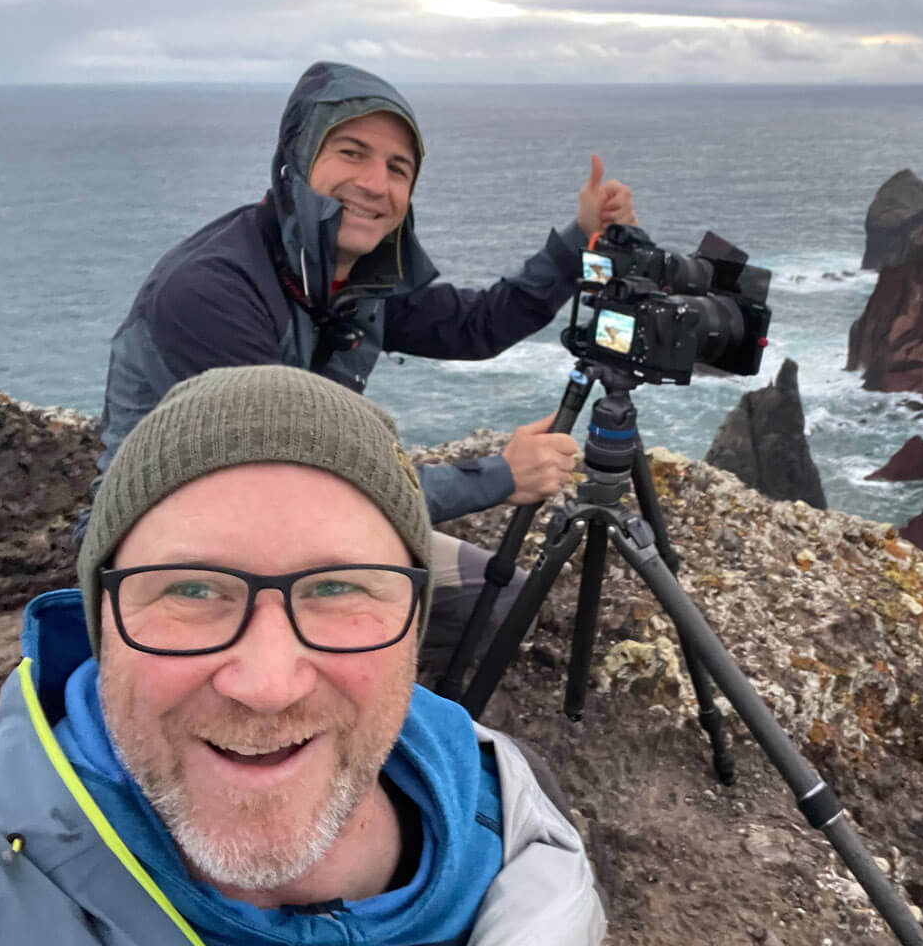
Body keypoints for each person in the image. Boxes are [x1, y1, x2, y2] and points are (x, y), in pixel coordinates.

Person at [0, 365, 606, 945]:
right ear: (102, 621)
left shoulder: (515, 811)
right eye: (193, 590)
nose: (266, 685)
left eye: (337, 588)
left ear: (413, 624)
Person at [92, 60, 639, 678]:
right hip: (176, 540)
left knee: (496, 600)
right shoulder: (210, 292)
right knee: (314, 635)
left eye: (398, 169)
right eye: (352, 153)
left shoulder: (354, 277)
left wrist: (578, 240)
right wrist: (496, 477)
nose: (376, 184)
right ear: (296, 159)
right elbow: (295, 481)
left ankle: (379, 721)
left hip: (298, 525)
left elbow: (476, 326)